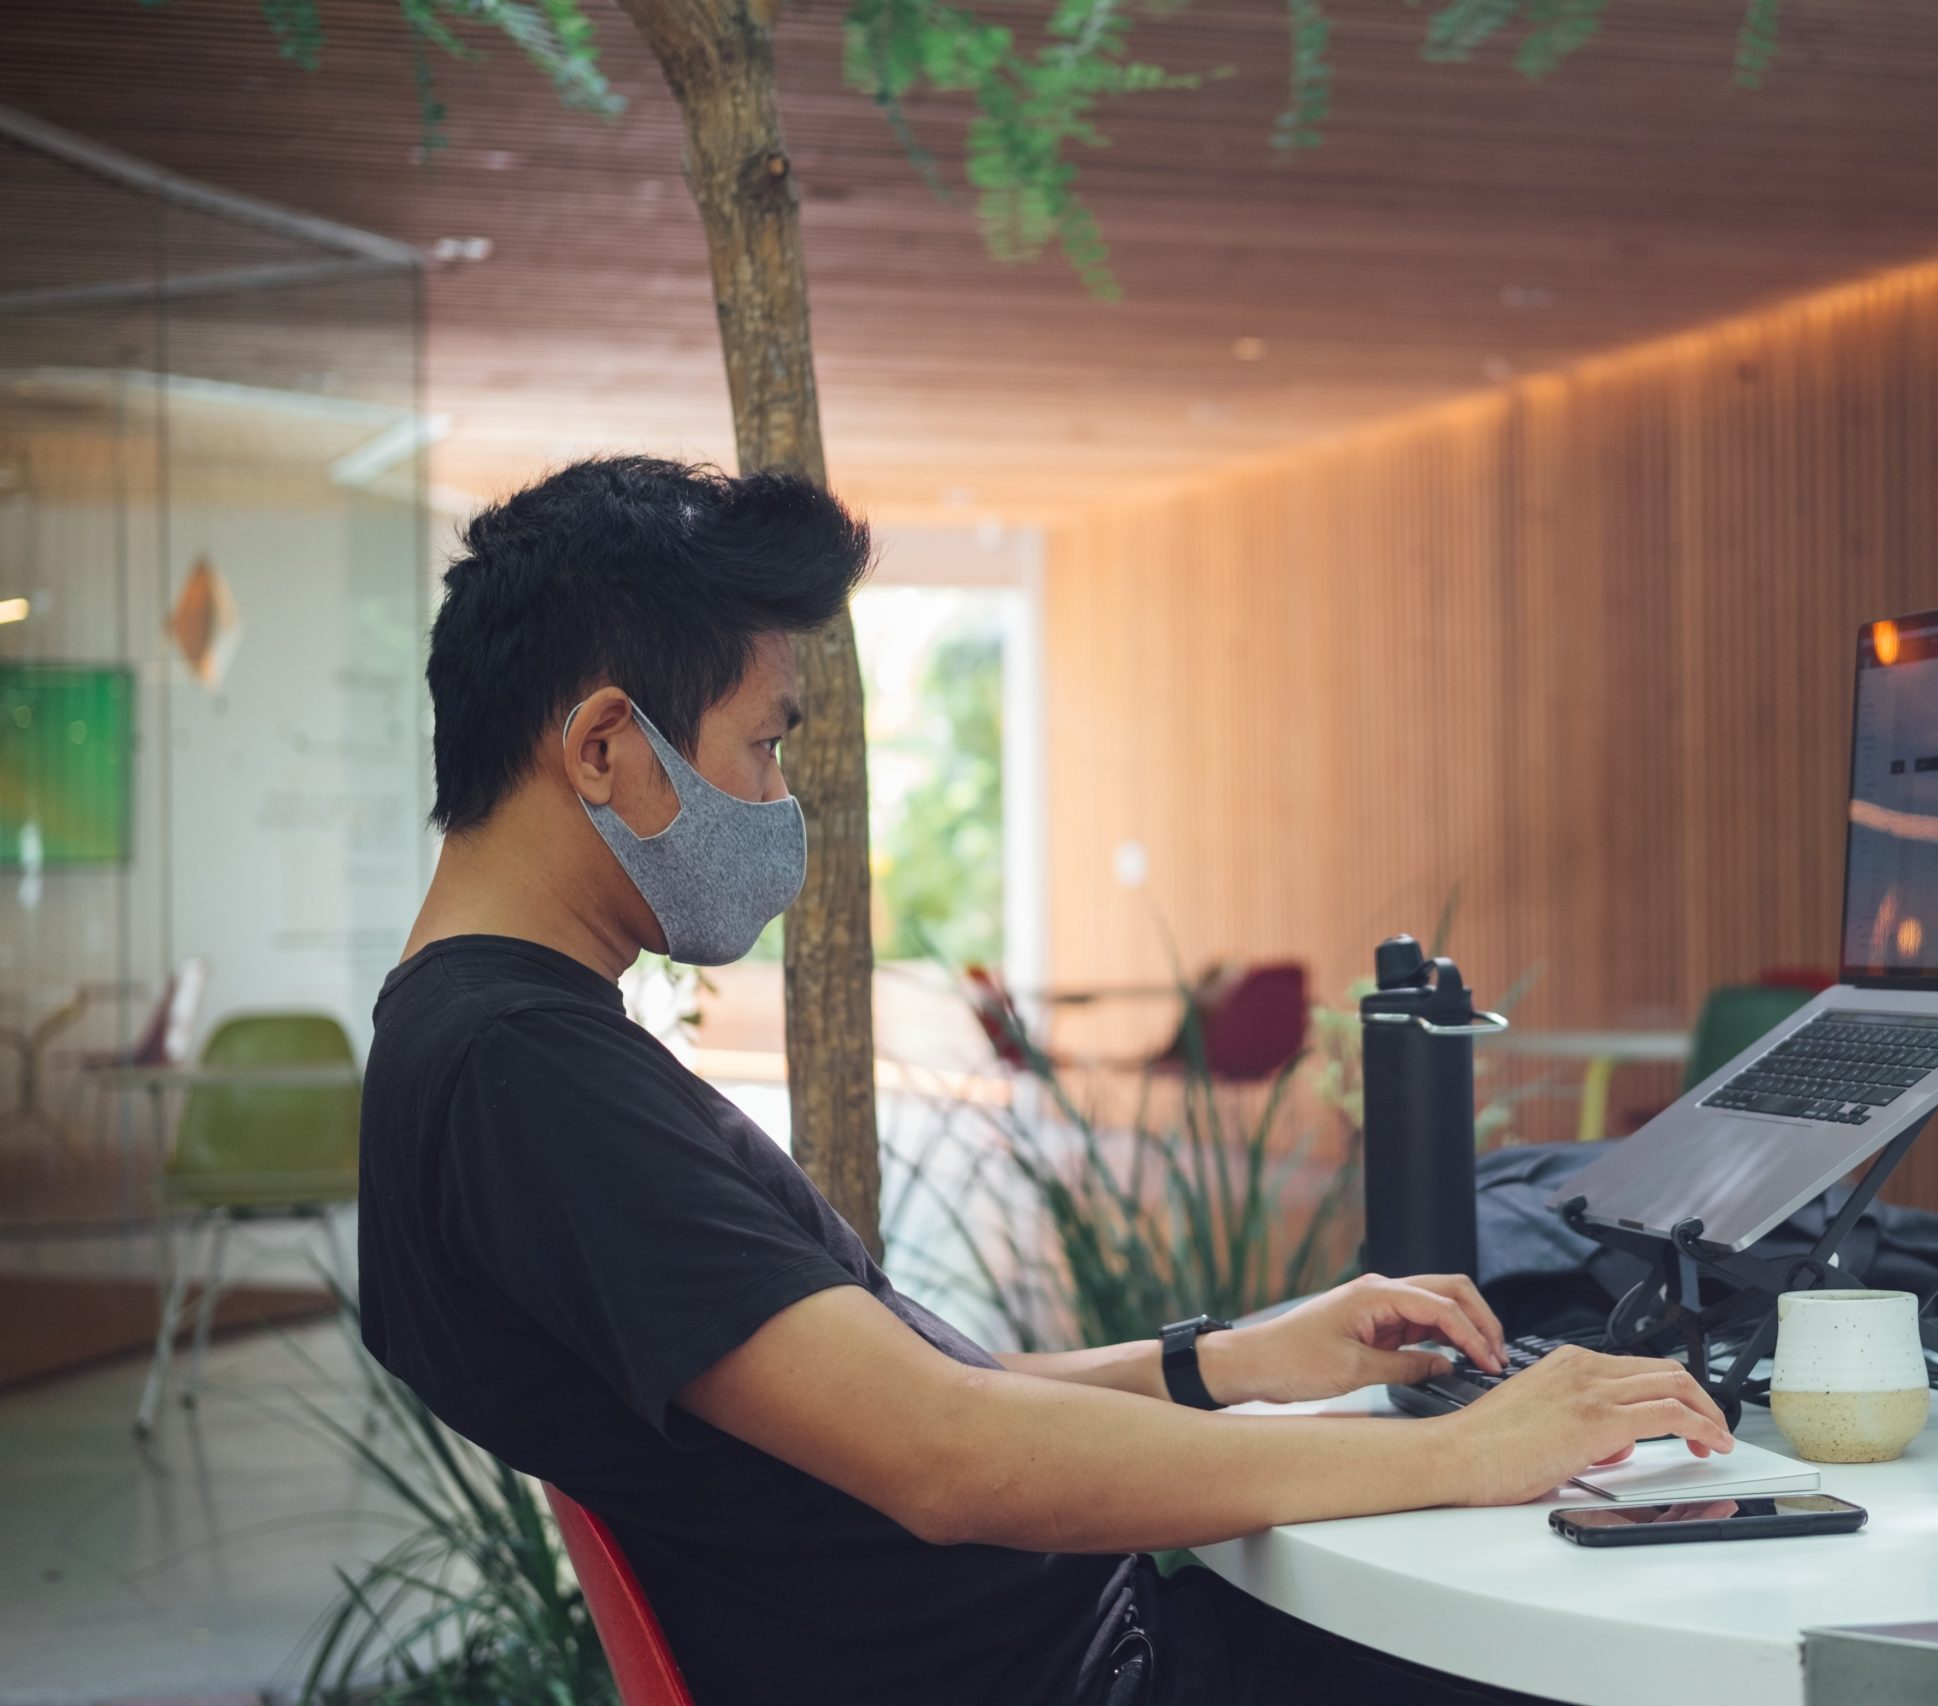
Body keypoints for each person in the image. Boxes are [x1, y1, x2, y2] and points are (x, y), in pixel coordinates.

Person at [359, 456, 1732, 1706]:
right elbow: (946, 1457)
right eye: (764, 742)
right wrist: (1465, 1453)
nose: (779, 797)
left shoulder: (498, 1044)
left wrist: (1230, 1360)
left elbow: (909, 1391)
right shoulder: (519, 1075)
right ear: (602, 748)